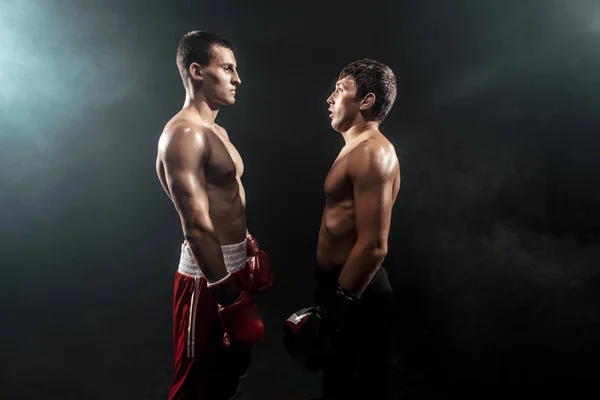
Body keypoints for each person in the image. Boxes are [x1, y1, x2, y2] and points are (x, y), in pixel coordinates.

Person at [156, 30, 275, 400]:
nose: (237, 78)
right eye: (227, 68)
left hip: (233, 266)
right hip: (207, 280)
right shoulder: (184, 135)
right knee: (195, 386)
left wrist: (248, 243)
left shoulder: (217, 130)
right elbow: (194, 223)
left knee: (227, 378)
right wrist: (228, 296)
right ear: (197, 71)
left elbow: (228, 199)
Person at [283, 59, 402, 399]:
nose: (330, 99)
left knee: (358, 389)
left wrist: (336, 307)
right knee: (337, 388)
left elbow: (375, 246)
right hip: (339, 289)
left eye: (340, 90)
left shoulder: (373, 153)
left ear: (366, 101)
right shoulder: (354, 147)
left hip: (357, 292)